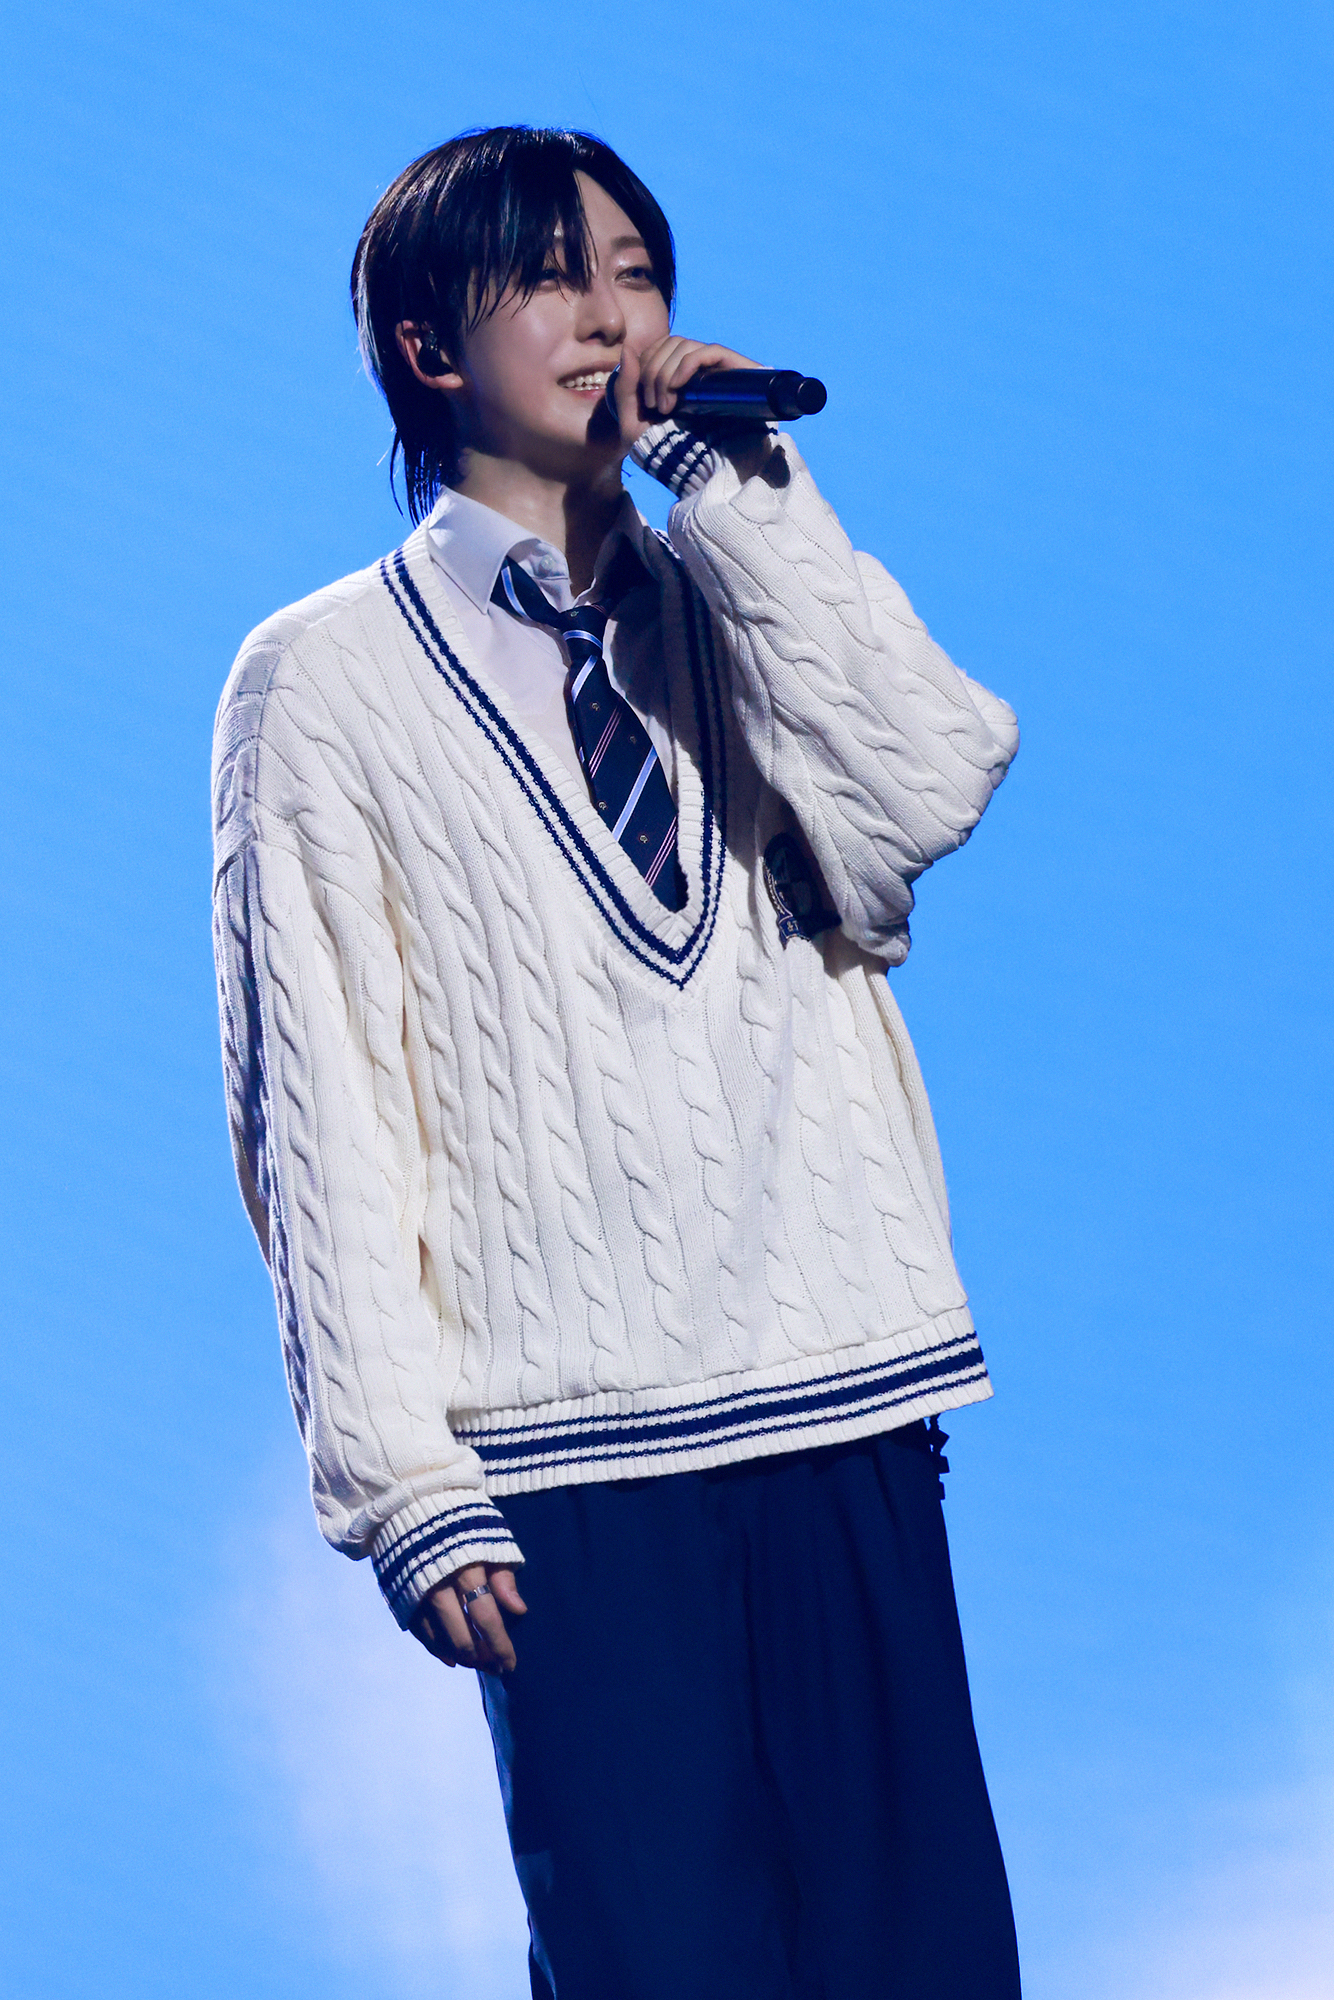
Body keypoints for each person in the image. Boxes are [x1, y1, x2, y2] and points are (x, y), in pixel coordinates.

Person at [211, 124, 1023, 1999]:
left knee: (922, 1958)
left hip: (840, 1394)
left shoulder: (737, 597)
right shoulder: (318, 681)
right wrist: (401, 1482)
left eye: (639, 274)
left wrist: (740, 492)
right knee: (656, 1960)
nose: (612, 316)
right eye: (555, 276)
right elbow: (317, 1102)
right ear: (427, 345)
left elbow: (927, 785)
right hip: (566, 1460)